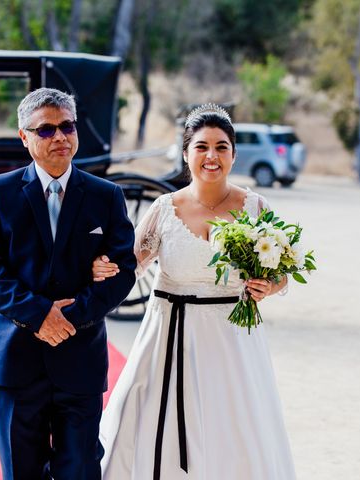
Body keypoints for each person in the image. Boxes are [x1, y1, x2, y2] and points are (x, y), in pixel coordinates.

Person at [94, 104, 296, 479]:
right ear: (186, 154)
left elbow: (283, 271)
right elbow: (130, 265)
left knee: (233, 426)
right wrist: (102, 267)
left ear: (234, 154)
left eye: (221, 147)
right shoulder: (163, 208)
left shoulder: (255, 207)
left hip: (232, 341)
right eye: (201, 147)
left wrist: (269, 286)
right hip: (168, 336)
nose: (211, 156)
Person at [0, 87, 136, 480]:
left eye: (67, 126)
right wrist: (40, 315)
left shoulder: (106, 196)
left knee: (79, 469)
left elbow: (124, 269)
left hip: (80, 360)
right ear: (24, 137)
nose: (59, 136)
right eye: (45, 130)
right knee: (21, 472)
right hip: (16, 360)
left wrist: (72, 317)